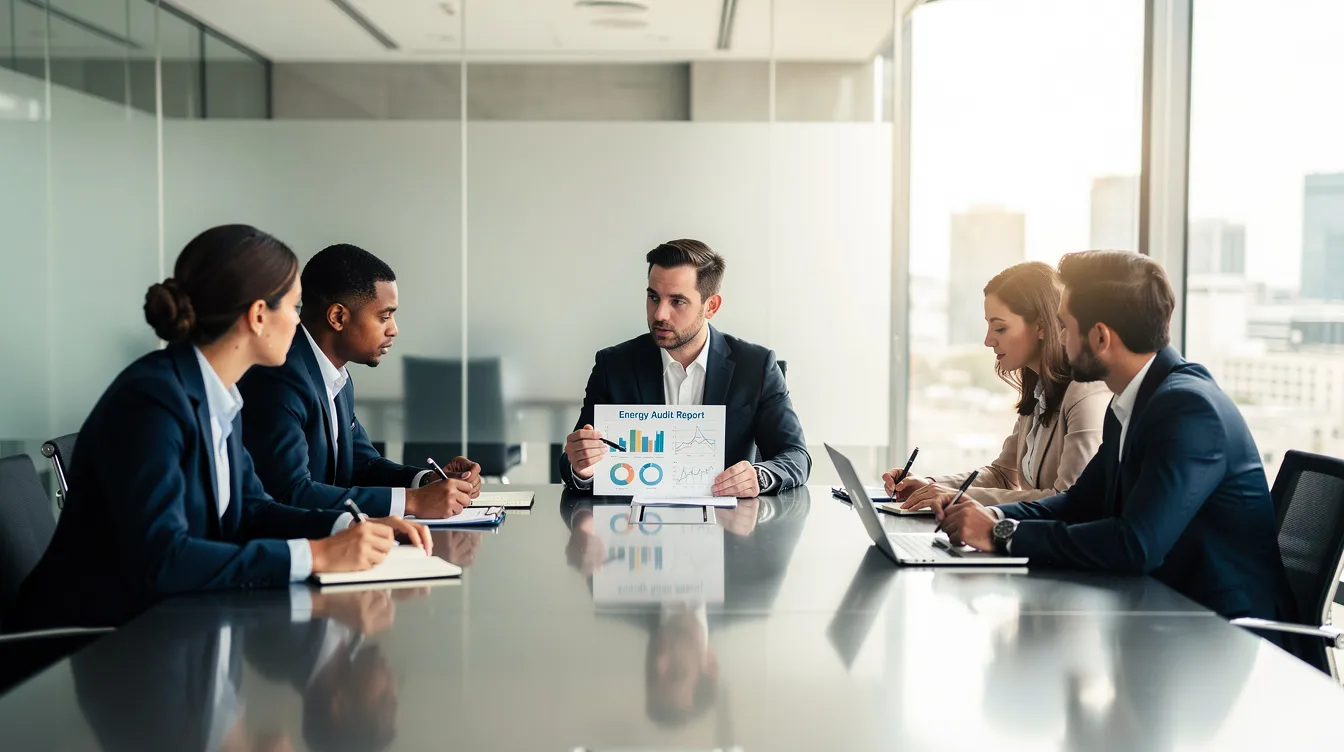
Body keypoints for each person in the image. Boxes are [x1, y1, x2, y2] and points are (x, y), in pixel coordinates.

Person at [8, 225, 431, 631]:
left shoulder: (215, 394)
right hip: (99, 646)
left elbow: (253, 509)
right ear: (258, 316)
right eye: (294, 307)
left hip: (176, 630)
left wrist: (349, 529)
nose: (300, 323)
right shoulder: (151, 402)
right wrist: (315, 556)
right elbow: (163, 558)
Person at [936, 250, 1289, 619]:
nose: (1058, 336)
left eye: (1064, 325)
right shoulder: (1134, 401)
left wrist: (1001, 534)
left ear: (1100, 337)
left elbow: (1136, 543)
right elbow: (1078, 503)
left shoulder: (1187, 410)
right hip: (1161, 612)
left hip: (1224, 633)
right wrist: (987, 516)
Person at [239, 243, 480, 520]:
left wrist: (426, 482)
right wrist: (412, 502)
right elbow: (290, 493)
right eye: (384, 316)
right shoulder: (281, 377)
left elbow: (362, 464)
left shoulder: (334, 375)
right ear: (338, 317)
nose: (394, 329)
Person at [560, 240, 811, 497]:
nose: (659, 314)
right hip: (635, 528)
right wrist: (581, 466)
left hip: (728, 527)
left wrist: (759, 476)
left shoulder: (755, 367)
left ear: (710, 306)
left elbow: (796, 456)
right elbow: (575, 462)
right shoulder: (613, 366)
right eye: (653, 297)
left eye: (677, 301)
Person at [885, 262, 1110, 509]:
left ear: (1042, 327)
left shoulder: (1085, 393)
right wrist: (929, 486)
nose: (988, 340)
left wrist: (953, 496)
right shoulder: (1038, 392)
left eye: (1000, 328)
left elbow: (1066, 501)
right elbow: (1003, 475)